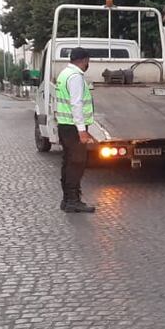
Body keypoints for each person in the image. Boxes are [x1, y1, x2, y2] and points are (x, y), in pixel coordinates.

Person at [55, 48, 97, 213]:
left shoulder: (64, 73)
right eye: (88, 61)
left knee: (68, 162)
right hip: (73, 128)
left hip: (65, 125)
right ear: (85, 60)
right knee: (76, 163)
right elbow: (76, 103)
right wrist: (82, 130)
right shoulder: (75, 77)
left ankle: (67, 199)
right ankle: (73, 200)